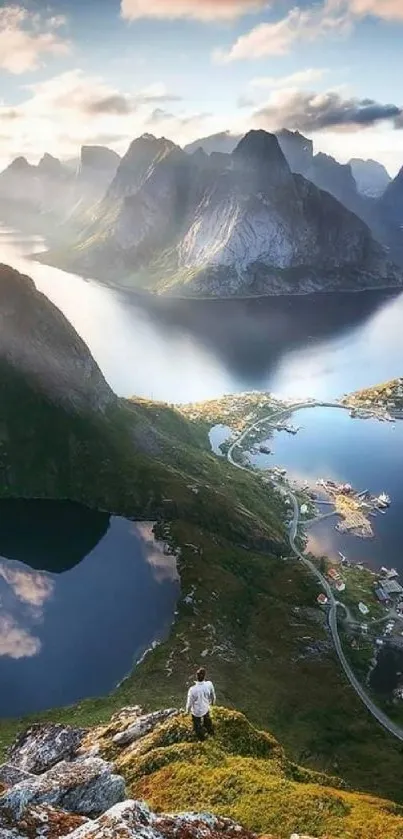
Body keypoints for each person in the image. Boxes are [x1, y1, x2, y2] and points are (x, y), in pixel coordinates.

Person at [186, 667, 216, 741]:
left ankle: (202, 739)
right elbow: (213, 695)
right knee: (207, 720)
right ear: (205, 676)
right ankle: (211, 732)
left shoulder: (192, 689)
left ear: (196, 676)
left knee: (197, 725)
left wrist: (187, 711)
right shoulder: (209, 684)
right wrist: (213, 703)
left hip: (197, 712)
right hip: (206, 708)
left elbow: (189, 703)